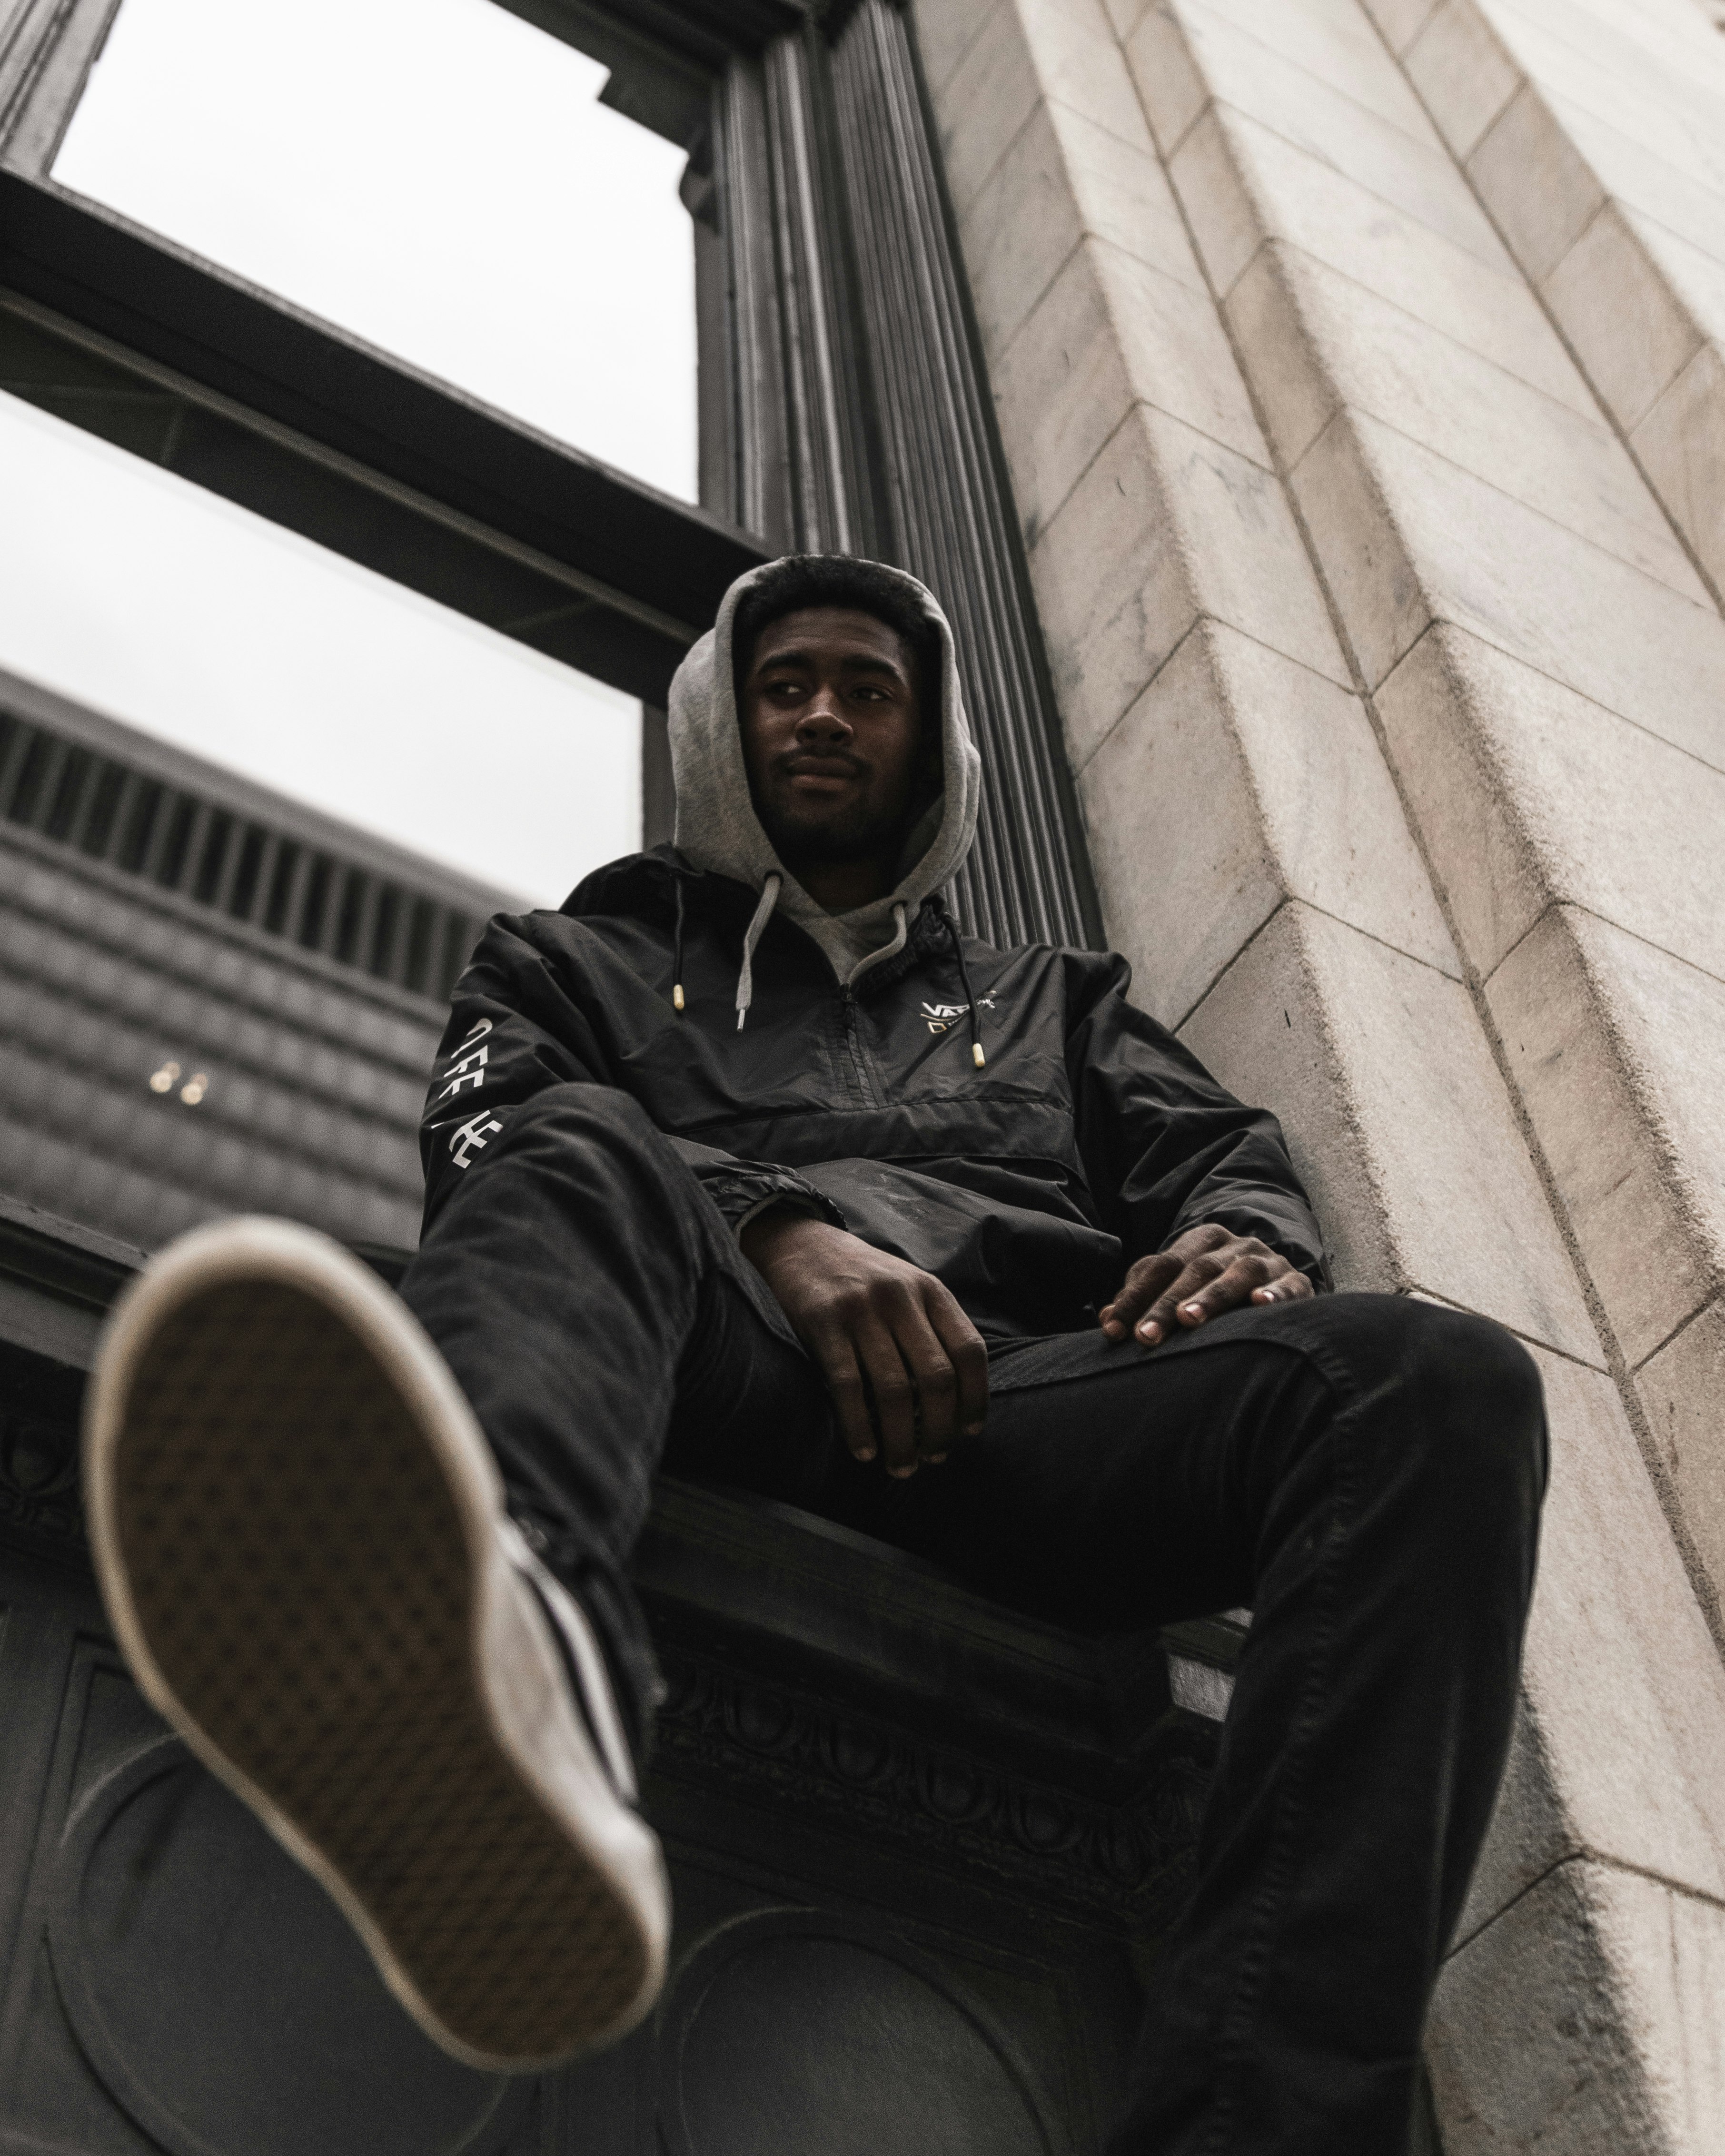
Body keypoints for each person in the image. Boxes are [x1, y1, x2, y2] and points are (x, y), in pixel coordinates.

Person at [83, 554, 1546, 2152]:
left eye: (869, 688)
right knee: (575, 1143)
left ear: (932, 743)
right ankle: (500, 1663)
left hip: (1016, 1410)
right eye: (787, 687)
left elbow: (1222, 1151)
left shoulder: (1057, 1002)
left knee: (1437, 1387)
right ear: (726, 723)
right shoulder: (572, 957)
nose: (827, 716)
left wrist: (1253, 1231)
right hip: (712, 1370)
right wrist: (777, 1228)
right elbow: (487, 1146)